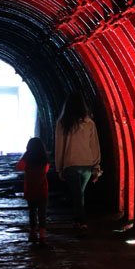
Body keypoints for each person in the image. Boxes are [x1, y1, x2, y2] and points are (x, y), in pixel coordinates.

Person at [55, 92, 101, 231]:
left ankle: (81, 222)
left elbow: (59, 146)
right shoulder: (89, 123)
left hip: (70, 164)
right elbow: (94, 145)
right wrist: (96, 166)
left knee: (77, 194)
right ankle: (79, 221)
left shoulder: (63, 123)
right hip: (87, 164)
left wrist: (59, 167)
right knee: (79, 194)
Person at [17, 137, 50, 245]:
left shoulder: (27, 157)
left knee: (32, 212)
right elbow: (46, 169)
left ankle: (32, 233)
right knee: (42, 213)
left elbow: (19, 167)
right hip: (42, 189)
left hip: (30, 189)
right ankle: (42, 235)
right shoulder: (44, 159)